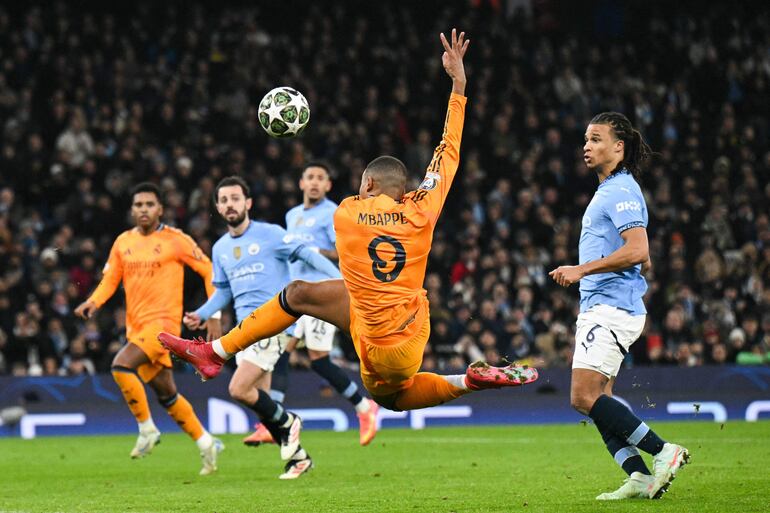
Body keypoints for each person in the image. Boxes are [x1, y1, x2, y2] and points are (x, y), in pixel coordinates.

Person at [160, 29, 537, 415]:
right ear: (402, 190)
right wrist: (458, 85)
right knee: (298, 293)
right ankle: (213, 352)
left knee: (389, 398)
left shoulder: (346, 213)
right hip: (410, 328)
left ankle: (467, 381)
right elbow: (448, 153)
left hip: (378, 343)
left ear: (368, 183)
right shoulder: (422, 208)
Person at [549, 113, 689, 500]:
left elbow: (638, 248)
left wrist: (583, 269)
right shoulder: (612, 189)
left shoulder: (619, 191)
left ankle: (663, 451)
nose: (586, 146)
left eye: (595, 139)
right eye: (585, 139)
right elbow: (638, 254)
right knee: (599, 401)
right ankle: (639, 475)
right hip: (606, 304)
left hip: (611, 307)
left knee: (582, 396)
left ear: (619, 147)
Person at [183, 175, 342, 479]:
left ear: (248, 203)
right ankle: (299, 458)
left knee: (238, 389)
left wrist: (338, 283)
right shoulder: (219, 249)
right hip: (244, 331)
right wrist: (202, 313)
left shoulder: (270, 234)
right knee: (263, 406)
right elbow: (225, 291)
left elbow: (305, 254)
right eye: (224, 200)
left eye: (235, 198)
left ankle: (290, 422)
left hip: (272, 324)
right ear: (218, 207)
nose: (230, 204)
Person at [74, 182, 223, 476]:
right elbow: (110, 279)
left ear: (160, 209)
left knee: (120, 366)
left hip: (163, 326)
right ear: (132, 210)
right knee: (167, 394)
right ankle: (207, 444)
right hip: (136, 328)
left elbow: (209, 270)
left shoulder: (176, 239)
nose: (144, 209)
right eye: (139, 205)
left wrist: (214, 312)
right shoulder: (122, 242)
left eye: (149, 204)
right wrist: (93, 301)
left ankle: (146, 429)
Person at [247, 162, 378, 448]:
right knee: (283, 355)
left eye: (321, 178)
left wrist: (318, 252)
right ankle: (273, 422)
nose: (315, 182)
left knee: (316, 359)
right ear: (301, 184)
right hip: (295, 295)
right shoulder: (292, 215)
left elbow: (346, 252)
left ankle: (364, 408)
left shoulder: (332, 213)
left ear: (328, 185)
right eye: (310, 177)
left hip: (322, 294)